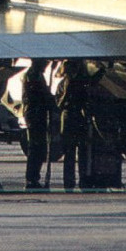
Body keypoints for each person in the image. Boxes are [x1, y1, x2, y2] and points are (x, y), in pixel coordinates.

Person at [57, 60, 103, 190]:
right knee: (71, 153)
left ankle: (83, 180)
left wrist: (102, 70)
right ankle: (70, 183)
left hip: (77, 118)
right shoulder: (64, 85)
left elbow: (92, 82)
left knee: (82, 152)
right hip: (69, 118)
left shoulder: (80, 82)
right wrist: (66, 93)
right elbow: (59, 104)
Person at [21, 60, 56, 190]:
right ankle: (31, 179)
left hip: (36, 114)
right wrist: (51, 100)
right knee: (36, 149)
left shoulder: (36, 74)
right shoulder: (33, 75)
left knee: (38, 149)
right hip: (35, 115)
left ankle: (33, 178)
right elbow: (40, 95)